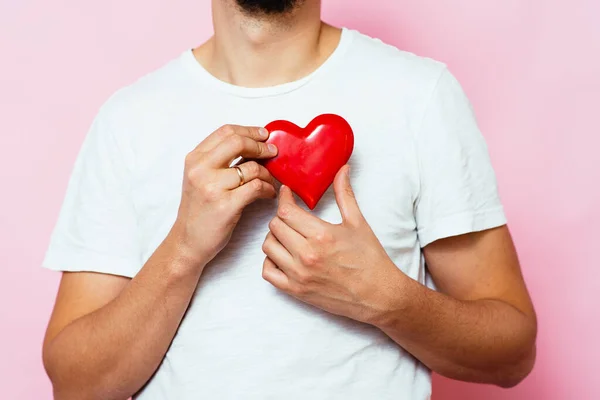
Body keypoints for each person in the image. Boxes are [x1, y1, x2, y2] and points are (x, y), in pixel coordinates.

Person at [41, 0, 537, 399]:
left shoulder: (422, 95)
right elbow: (76, 385)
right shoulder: (128, 120)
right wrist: (183, 251)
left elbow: (513, 356)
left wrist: (386, 298)